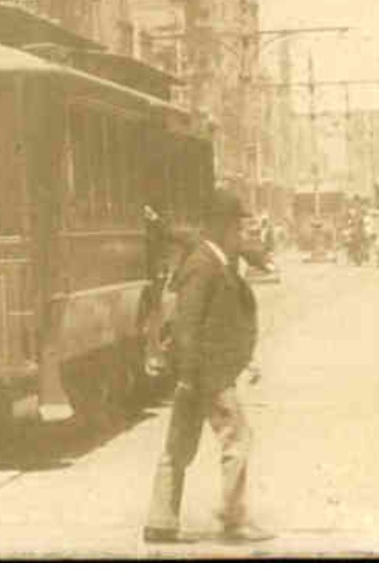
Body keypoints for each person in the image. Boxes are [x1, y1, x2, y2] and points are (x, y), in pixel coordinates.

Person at [144, 190, 272, 545]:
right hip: (207, 374)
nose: (241, 232)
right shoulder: (205, 264)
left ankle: (161, 520)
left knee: (178, 447)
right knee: (238, 439)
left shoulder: (213, 258)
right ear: (221, 227)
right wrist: (187, 376)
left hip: (199, 373)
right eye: (237, 225)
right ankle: (234, 520)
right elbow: (187, 325)